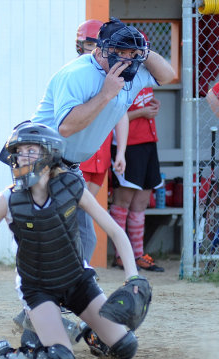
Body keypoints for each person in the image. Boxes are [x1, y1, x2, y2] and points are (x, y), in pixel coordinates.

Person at [0, 122, 141, 359]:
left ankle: (92, 335)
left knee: (126, 347)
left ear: (49, 156)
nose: (22, 156)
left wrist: (132, 276)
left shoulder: (70, 186)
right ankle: (9, 355)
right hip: (38, 287)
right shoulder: (8, 200)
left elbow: (114, 231)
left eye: (30, 150)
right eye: (18, 151)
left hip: (77, 280)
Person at [30, 18, 175, 263]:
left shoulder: (131, 72)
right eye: (119, 52)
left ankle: (72, 294)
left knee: (86, 238)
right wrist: (106, 93)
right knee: (52, 234)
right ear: (100, 50)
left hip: (69, 165)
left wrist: (144, 51)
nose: (125, 60)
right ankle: (39, 295)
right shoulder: (78, 73)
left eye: (131, 53)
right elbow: (66, 127)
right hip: (40, 158)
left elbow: (168, 75)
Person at [109, 30, 165, 272]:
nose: (136, 54)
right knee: (124, 199)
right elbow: (113, 116)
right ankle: (122, 255)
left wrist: (151, 109)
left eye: (140, 49)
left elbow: (166, 77)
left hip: (148, 142)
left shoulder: (146, 73)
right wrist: (142, 113)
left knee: (142, 199)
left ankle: (138, 253)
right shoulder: (118, 74)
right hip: (127, 144)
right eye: (132, 50)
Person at [76, 19, 127, 197]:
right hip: (78, 157)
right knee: (73, 211)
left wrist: (120, 152)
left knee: (86, 211)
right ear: (80, 46)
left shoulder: (113, 76)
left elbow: (121, 114)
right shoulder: (77, 74)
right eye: (89, 44)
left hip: (101, 156)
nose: (93, 49)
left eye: (98, 44)